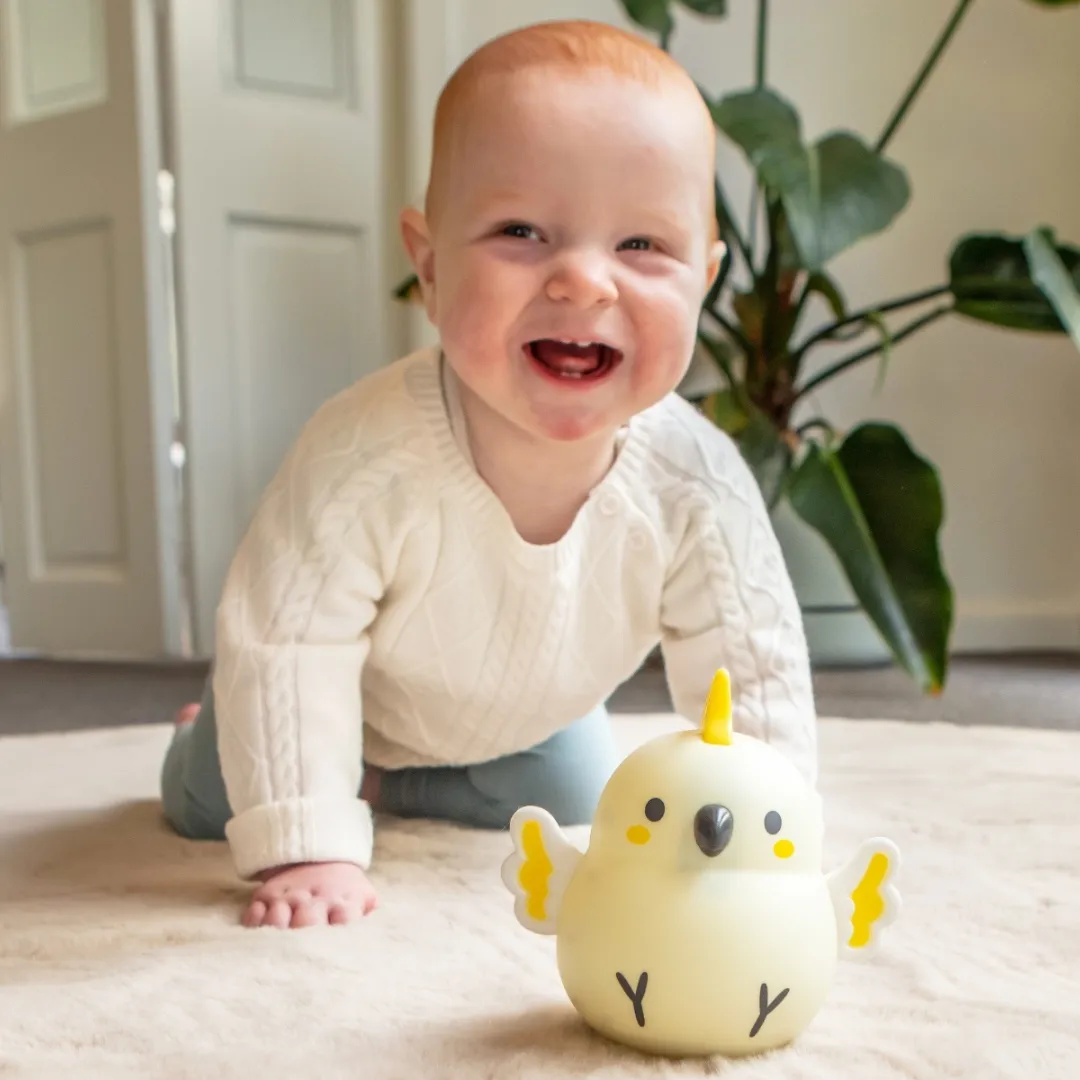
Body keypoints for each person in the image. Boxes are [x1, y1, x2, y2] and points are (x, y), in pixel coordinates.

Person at [160, 18, 818, 930]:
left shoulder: (693, 478)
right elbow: (288, 637)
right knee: (217, 799)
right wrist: (309, 843)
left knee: (576, 791)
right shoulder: (364, 457)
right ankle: (216, 739)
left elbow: (752, 659)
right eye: (521, 231)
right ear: (429, 266)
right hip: (347, 691)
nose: (585, 282)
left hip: (528, 717)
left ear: (703, 278)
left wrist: (768, 831)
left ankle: (387, 779)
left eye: (641, 246)